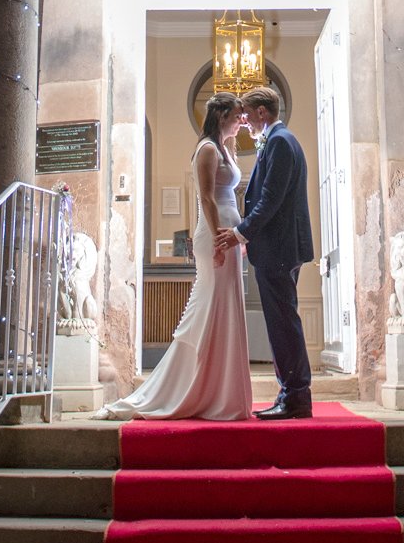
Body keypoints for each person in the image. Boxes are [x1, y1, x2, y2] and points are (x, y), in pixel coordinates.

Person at [96, 93, 252, 421]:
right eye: (238, 115)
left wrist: (238, 237)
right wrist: (220, 241)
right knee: (209, 308)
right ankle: (189, 386)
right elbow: (207, 199)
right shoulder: (207, 149)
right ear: (222, 115)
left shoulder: (226, 148)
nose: (242, 120)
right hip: (215, 232)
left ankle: (220, 390)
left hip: (229, 233)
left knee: (224, 308)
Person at [217, 84, 314, 420]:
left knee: (283, 323)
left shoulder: (280, 143)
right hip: (277, 246)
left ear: (262, 113)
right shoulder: (278, 141)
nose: (244, 123)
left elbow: (270, 200)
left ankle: (296, 397)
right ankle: (291, 394)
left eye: (247, 116)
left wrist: (240, 235)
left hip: (280, 248)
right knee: (281, 322)